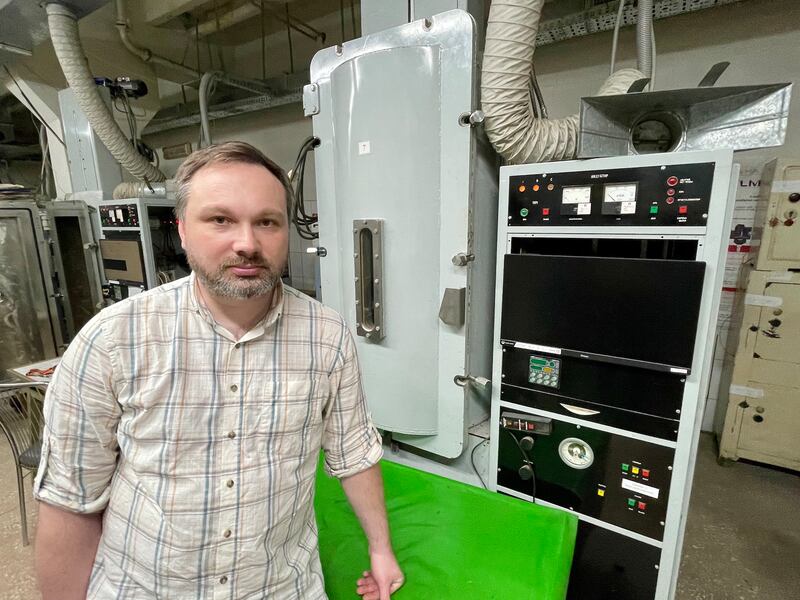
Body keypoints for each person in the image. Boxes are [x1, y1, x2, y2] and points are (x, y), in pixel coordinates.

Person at [33, 141, 404, 600]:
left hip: (280, 587)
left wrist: (381, 549)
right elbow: (71, 502)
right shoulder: (112, 340)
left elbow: (355, 455)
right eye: (221, 220)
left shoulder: (327, 336)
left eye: (267, 221)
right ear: (183, 230)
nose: (247, 243)